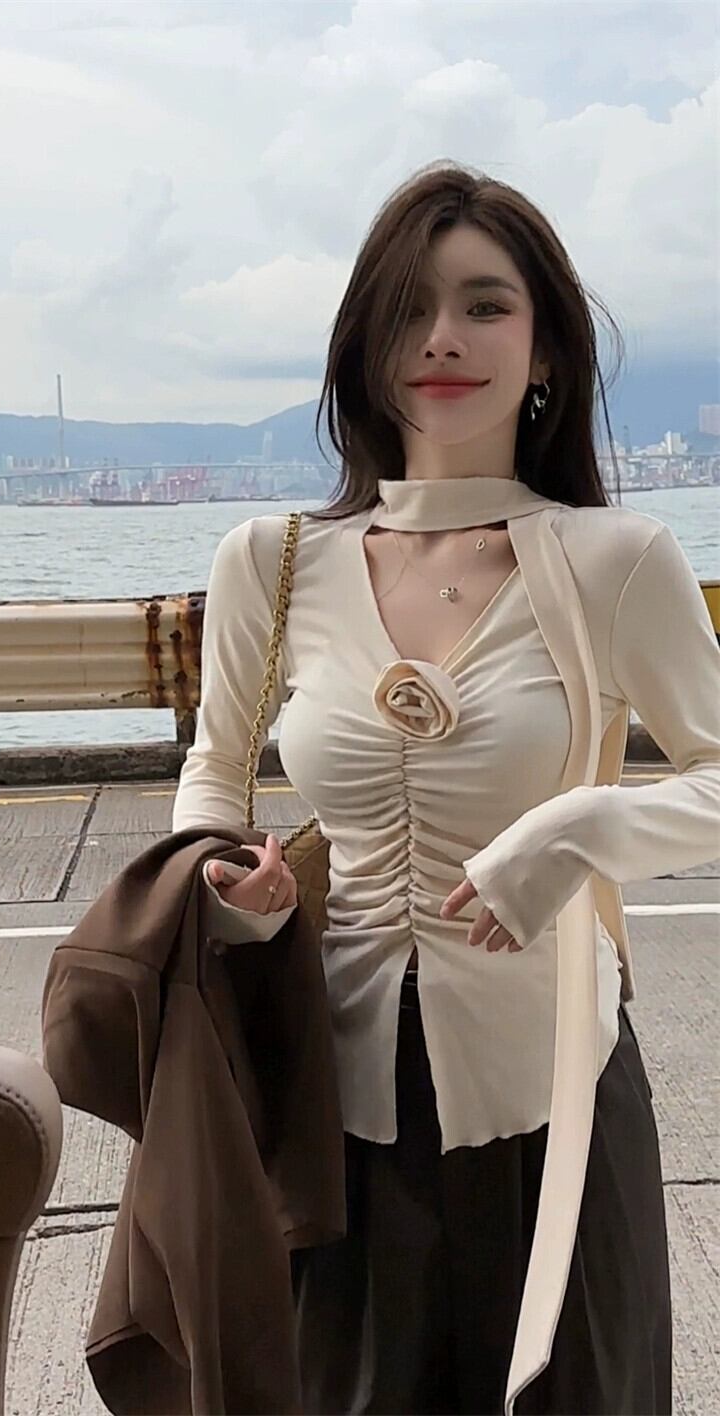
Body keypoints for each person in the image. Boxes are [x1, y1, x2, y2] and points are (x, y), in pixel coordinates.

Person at [171, 162, 720, 1414]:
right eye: (408, 307)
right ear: (363, 346)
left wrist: (577, 830)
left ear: (544, 350)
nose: (440, 338)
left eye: (484, 305)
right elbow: (214, 767)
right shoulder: (271, 560)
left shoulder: (613, 559)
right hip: (329, 1101)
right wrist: (224, 890)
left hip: (553, 1084)